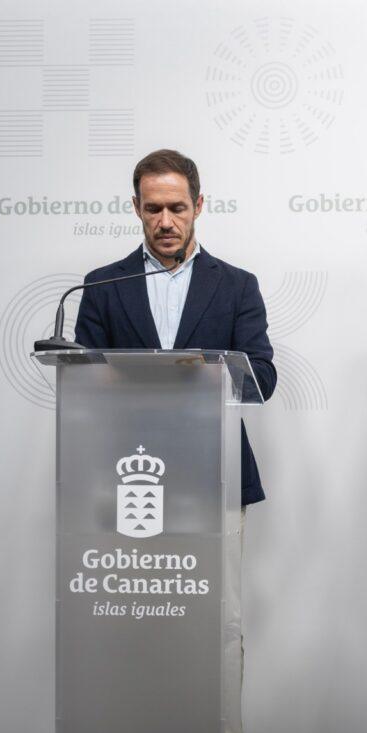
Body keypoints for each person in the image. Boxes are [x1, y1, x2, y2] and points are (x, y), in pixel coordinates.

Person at [75, 148, 276, 505]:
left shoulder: (237, 286)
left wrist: (200, 372)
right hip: (125, 473)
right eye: (153, 209)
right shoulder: (102, 286)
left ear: (198, 206)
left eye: (177, 208)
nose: (165, 221)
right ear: (137, 208)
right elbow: (83, 382)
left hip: (217, 469)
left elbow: (263, 377)